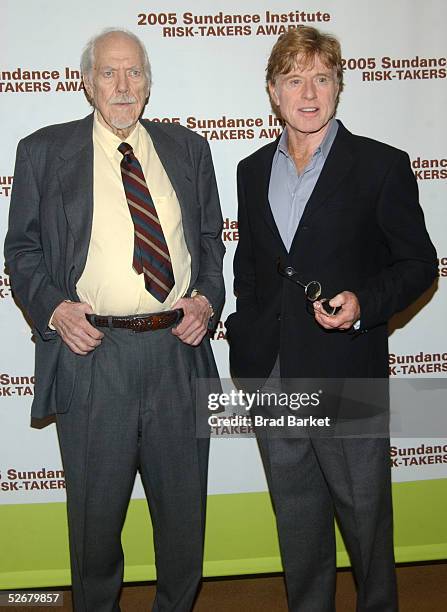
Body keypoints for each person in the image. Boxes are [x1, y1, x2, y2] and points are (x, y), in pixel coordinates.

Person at [5, 28, 224, 612]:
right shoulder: (42, 152)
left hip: (179, 352)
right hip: (92, 355)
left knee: (183, 518)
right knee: (95, 523)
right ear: (86, 83)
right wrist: (53, 307)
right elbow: (21, 251)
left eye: (134, 74)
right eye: (109, 73)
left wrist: (205, 298)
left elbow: (210, 243)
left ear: (149, 85)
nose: (123, 86)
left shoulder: (188, 150)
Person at [225, 26, 437, 612]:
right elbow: (251, 263)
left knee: (367, 524)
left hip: (347, 374)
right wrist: (247, 330)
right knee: (297, 525)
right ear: (273, 91)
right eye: (294, 79)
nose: (309, 93)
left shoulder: (380, 165)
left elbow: (420, 263)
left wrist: (365, 304)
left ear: (339, 87)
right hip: (272, 376)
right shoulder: (250, 169)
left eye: (322, 78)